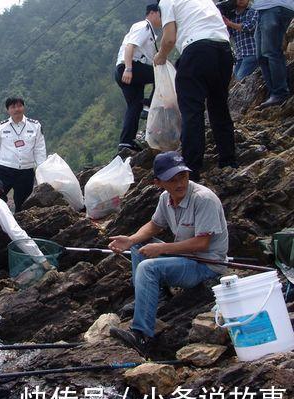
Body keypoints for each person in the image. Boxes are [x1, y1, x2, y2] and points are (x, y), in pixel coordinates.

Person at [108, 151, 229, 356]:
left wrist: (161, 248)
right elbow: (155, 224)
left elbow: (202, 243)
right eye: (172, 180)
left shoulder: (203, 199)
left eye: (182, 176)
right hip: (185, 259)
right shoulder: (166, 198)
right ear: (159, 183)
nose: (179, 183)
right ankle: (158, 296)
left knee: (148, 268)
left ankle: (142, 336)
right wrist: (131, 240)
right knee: (140, 246)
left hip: (206, 265)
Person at [154, 0, 237, 181]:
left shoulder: (168, 2)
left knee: (192, 111)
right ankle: (228, 160)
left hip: (197, 50)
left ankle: (191, 169)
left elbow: (169, 38)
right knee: (219, 106)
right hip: (223, 50)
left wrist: (160, 56)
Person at [0, 97, 46, 212]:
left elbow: (39, 149)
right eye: (13, 107)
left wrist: (42, 170)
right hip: (4, 170)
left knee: (23, 204)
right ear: (8, 110)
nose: (17, 109)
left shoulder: (35, 126)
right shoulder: (1, 127)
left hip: (26, 171)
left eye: (19, 106)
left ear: (23, 107)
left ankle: (21, 227)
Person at [115, 4, 162, 152]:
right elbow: (130, 46)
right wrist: (128, 68)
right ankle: (149, 106)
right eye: (161, 15)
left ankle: (126, 143)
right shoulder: (144, 26)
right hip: (130, 67)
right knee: (160, 73)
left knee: (134, 107)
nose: (162, 19)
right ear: (153, 13)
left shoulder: (151, 34)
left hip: (124, 70)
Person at [253, 0, 294, 108]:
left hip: (276, 7)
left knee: (271, 52)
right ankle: (274, 93)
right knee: (261, 56)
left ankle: (280, 93)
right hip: (263, 9)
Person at [223, 0, 259, 81]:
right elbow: (228, 34)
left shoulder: (253, 10)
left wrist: (229, 23)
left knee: (240, 78)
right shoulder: (232, 15)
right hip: (240, 56)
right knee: (235, 81)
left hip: (252, 52)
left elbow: (249, 27)